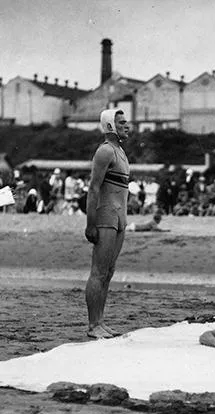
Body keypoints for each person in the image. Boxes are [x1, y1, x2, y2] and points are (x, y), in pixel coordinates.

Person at [84, 109, 131, 339]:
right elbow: (93, 189)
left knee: (109, 272)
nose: (127, 125)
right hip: (105, 217)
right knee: (99, 271)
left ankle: (100, 321)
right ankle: (93, 325)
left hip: (120, 217)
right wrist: (90, 223)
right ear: (111, 125)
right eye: (122, 122)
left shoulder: (120, 151)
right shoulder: (104, 151)